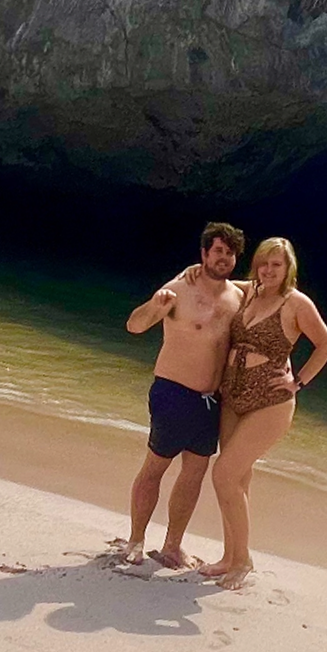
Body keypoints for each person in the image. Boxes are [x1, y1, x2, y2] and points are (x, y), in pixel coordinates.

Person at [199, 237, 327, 591]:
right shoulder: (250, 293)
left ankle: (243, 560)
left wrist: (299, 382)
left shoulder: (296, 303)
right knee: (238, 479)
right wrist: (190, 273)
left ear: (289, 268)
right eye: (263, 263)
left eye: (276, 264)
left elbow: (326, 345)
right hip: (234, 394)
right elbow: (217, 281)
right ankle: (230, 556)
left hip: (271, 400)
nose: (269, 270)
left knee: (224, 475)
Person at [120, 222, 247, 570]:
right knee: (155, 467)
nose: (224, 257)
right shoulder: (178, 289)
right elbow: (134, 325)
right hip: (173, 392)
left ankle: (172, 546)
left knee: (194, 473)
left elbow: (274, 288)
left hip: (211, 402)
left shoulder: (239, 297)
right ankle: (135, 540)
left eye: (230, 252)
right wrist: (155, 307)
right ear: (204, 254)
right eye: (217, 250)